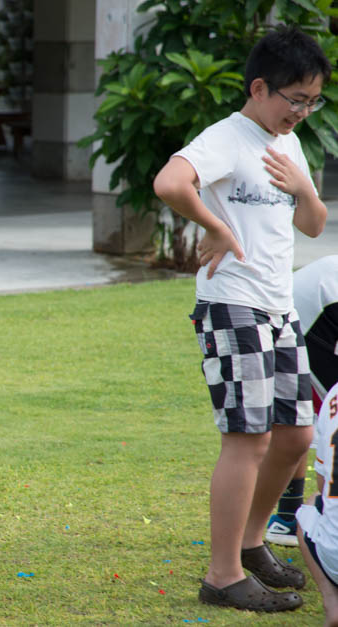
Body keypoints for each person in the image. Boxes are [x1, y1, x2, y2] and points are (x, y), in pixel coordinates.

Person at [153, 26, 330, 612]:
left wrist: (303, 184)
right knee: (248, 439)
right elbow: (170, 181)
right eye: (295, 99)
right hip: (234, 304)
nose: (302, 112)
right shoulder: (228, 137)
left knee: (296, 436)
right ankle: (223, 574)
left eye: (313, 101)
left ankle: (252, 543)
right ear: (260, 87)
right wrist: (216, 225)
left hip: (278, 308)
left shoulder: (290, 144)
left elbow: (313, 223)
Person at [267, 255, 338, 546]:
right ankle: (296, 517)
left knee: (304, 422)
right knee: (321, 421)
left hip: (305, 310)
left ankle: (290, 516)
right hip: (306, 321)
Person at [297, 381, 338, 626]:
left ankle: (332, 600)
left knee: (313, 503)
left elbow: (323, 485)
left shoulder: (333, 394)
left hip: (334, 557)